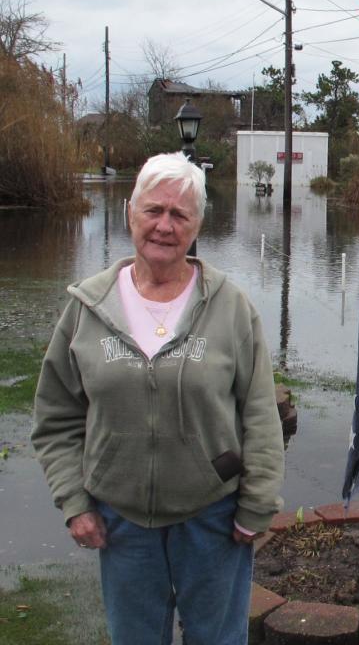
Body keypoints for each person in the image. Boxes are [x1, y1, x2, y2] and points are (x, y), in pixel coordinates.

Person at [32, 152, 284, 644]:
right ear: (131, 212)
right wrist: (75, 502)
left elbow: (259, 412)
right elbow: (57, 416)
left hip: (213, 518)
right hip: (121, 522)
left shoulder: (230, 307)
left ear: (197, 226)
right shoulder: (88, 307)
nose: (164, 226)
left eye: (179, 214)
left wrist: (257, 505)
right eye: (154, 211)